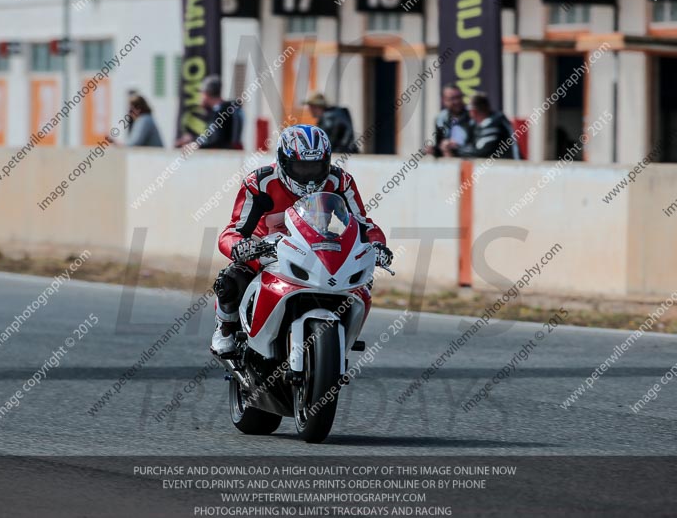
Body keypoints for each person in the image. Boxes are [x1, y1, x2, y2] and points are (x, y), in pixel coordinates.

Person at [210, 124, 393, 357]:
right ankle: (225, 329)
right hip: (266, 249)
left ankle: (340, 336)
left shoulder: (340, 181)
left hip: (315, 248)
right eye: (301, 167)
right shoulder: (260, 182)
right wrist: (240, 246)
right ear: (284, 162)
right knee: (231, 279)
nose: (309, 176)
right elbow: (233, 229)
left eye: (315, 167)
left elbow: (363, 223)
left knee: (360, 283)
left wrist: (377, 245)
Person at [176, 75, 244, 150]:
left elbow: (216, 140)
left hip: (225, 158)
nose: (200, 97)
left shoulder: (221, 111)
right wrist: (193, 139)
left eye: (201, 93)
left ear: (207, 94)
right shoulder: (228, 109)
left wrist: (195, 145)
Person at [457, 93, 520, 160]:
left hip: (504, 166)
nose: (469, 113)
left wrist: (457, 150)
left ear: (474, 111)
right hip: (486, 166)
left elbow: (482, 152)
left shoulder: (497, 122)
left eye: (469, 110)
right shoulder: (474, 125)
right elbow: (469, 145)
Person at [429, 85, 473, 158]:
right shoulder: (440, 118)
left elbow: (479, 147)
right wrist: (434, 150)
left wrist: (458, 148)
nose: (456, 101)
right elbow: (439, 145)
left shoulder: (472, 116)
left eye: (459, 97)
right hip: (449, 164)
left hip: (471, 162)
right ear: (444, 100)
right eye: (452, 98)